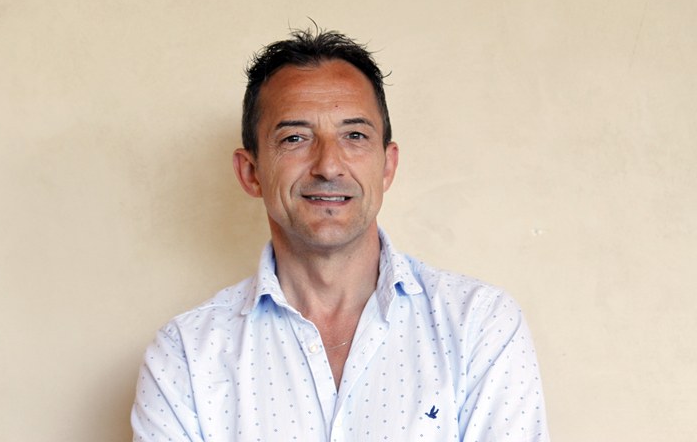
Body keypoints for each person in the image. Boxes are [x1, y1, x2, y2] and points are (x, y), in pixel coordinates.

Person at [131, 28, 550, 441]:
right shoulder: (185, 355)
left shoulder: (478, 324)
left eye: (354, 136)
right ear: (251, 171)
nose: (328, 165)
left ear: (387, 166)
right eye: (295, 138)